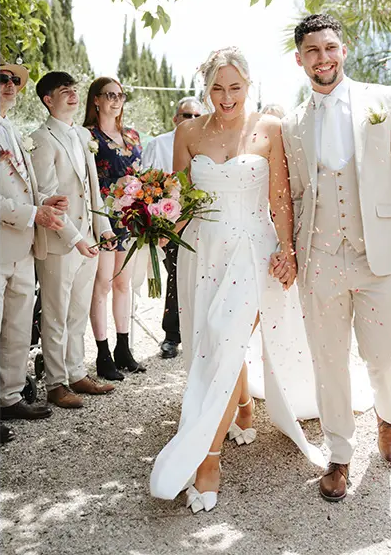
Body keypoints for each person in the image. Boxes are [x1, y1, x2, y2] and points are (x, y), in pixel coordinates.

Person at [281, 14, 391, 502]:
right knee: (328, 360)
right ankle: (339, 454)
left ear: (344, 50)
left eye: (330, 47)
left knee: (385, 355)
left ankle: (388, 415)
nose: (323, 58)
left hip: (379, 254)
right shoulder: (293, 123)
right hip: (320, 259)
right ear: (299, 59)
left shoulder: (385, 100)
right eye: (312, 51)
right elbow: (292, 194)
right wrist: (289, 252)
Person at [149, 49, 325, 514]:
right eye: (217, 88)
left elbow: (281, 197)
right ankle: (243, 403)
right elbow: (179, 196)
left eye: (235, 87)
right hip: (204, 253)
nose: (226, 97)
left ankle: (208, 460)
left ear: (249, 85)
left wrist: (286, 251)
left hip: (253, 252)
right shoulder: (188, 132)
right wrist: (152, 221)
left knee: (227, 339)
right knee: (214, 341)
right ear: (206, 90)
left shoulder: (268, 129)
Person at [29, 71, 117, 409]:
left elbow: (93, 188)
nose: (72, 94)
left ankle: (77, 371)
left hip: (90, 239)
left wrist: (104, 228)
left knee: (79, 311)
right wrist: (76, 237)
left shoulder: (83, 135)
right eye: (64, 91)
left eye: (74, 89)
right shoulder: (40, 138)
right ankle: (55, 382)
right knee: (55, 313)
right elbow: (47, 194)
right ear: (48, 100)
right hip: (60, 241)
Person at [0, 62, 68, 440]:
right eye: (1, 78)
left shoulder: (11, 129)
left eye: (14, 81)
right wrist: (32, 212)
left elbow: (22, 187)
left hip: (24, 245)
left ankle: (8, 397)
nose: (10, 85)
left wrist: (45, 200)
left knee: (18, 326)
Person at [84, 77, 144, 381]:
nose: (116, 100)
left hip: (130, 218)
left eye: (120, 95)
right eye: (110, 95)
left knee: (124, 284)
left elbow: (141, 174)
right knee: (103, 285)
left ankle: (124, 349)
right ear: (96, 100)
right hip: (102, 218)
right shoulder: (87, 136)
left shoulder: (132, 135)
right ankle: (102, 353)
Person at [139, 96, 206, 360]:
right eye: (186, 115)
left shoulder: (207, 142)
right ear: (175, 118)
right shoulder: (159, 144)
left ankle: (200, 334)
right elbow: (146, 180)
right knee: (177, 277)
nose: (190, 120)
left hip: (202, 219)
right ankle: (172, 336)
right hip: (170, 223)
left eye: (196, 116)